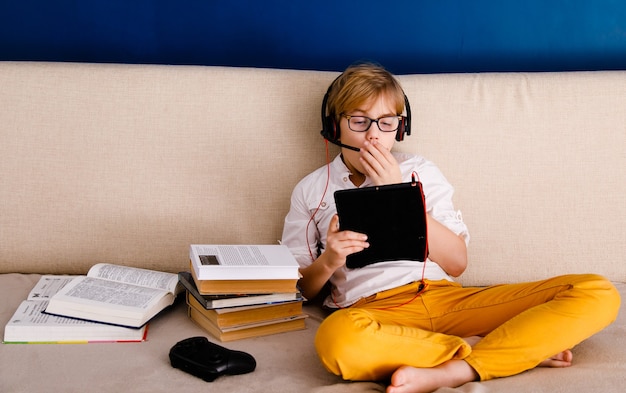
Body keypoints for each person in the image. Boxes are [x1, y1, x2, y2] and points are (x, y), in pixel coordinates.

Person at [280, 62, 620, 393]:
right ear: (334, 126)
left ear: (400, 127)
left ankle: (459, 368)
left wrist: (398, 194)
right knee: (336, 340)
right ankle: (493, 348)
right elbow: (299, 290)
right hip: (373, 312)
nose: (373, 136)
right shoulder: (310, 190)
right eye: (359, 121)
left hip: (448, 299)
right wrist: (330, 261)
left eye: (386, 123)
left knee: (597, 292)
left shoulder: (420, 170)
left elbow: (457, 262)